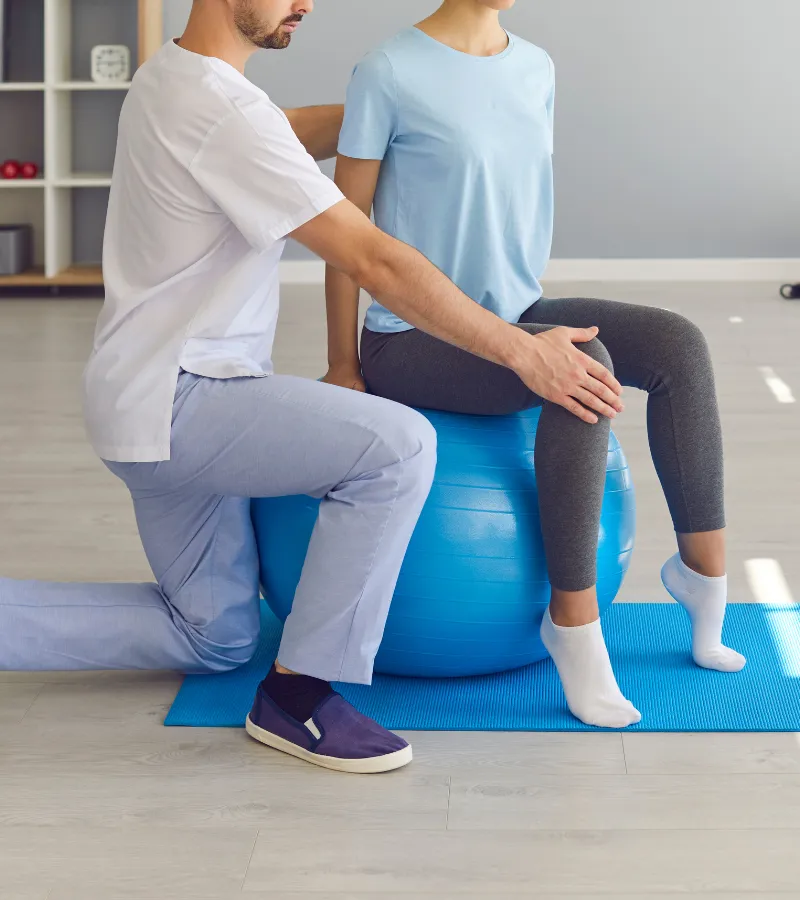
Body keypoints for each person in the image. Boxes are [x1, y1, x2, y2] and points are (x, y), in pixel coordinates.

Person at [0, 0, 630, 771]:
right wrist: (519, 353)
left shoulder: (177, 78)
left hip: (140, 401)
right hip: (187, 402)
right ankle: (297, 700)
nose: (306, 3)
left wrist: (411, 105)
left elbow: (285, 130)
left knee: (216, 636)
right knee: (396, 448)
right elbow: (373, 260)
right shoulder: (223, 109)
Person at [323, 0, 747, 729]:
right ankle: (573, 627)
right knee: (582, 362)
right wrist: (342, 364)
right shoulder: (388, 70)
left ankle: (703, 578)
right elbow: (343, 233)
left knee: (679, 344)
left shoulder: (536, 67)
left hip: (515, 312)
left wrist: (523, 326)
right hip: (411, 339)